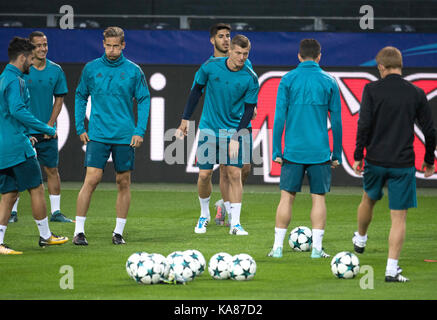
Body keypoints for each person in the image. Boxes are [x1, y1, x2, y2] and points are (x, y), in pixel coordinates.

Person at [352, 46, 436, 282]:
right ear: (401, 65)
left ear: (381, 67)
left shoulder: (371, 89)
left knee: (368, 198)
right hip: (402, 163)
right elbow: (430, 130)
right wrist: (429, 160)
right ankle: (391, 270)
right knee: (398, 218)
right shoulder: (416, 93)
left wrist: (359, 154)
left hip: (376, 160)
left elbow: (364, 125)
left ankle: (360, 238)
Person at [74, 26, 151, 245]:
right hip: (98, 133)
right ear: (103, 44)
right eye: (108, 46)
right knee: (92, 179)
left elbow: (144, 99)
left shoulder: (134, 71)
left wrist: (139, 130)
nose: (112, 50)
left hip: (124, 135)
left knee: (123, 181)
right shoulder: (91, 69)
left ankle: (118, 232)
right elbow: (80, 96)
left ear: (123, 45)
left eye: (116, 46)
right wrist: (80, 127)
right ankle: (78, 232)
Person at [176, 34, 259, 236]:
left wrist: (236, 136)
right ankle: (204, 215)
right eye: (238, 52)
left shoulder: (250, 76)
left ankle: (235, 223)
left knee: (236, 173)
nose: (241, 57)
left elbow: (249, 110)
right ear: (229, 50)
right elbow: (196, 91)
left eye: (245, 54)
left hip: (233, 129)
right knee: (204, 175)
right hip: (209, 129)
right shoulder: (210, 67)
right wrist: (185, 119)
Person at [268, 39, 342, 259]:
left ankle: (278, 248)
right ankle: (317, 250)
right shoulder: (329, 81)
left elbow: (279, 116)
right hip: (319, 151)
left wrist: (276, 150)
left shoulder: (288, 79)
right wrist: (336, 153)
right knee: (318, 198)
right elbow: (337, 122)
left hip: (293, 151)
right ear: (319, 56)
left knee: (286, 198)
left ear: (299, 56)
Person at [0, 37, 69, 254]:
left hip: (5, 145)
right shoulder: (16, 81)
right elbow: (17, 110)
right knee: (37, 188)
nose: (32, 62)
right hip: (16, 147)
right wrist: (46, 128)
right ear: (22, 57)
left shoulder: (3, 78)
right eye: (30, 58)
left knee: (10, 193)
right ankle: (46, 236)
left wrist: (21, 133)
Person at [9, 31, 73, 224]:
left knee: (52, 169)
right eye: (38, 45)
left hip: (46, 131)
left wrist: (49, 125)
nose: (43, 49)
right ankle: (12, 212)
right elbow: (14, 104)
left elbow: (59, 99)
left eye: (45, 45)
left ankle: (56, 212)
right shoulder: (20, 70)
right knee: (18, 171)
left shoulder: (56, 70)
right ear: (30, 47)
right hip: (23, 132)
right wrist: (22, 129)